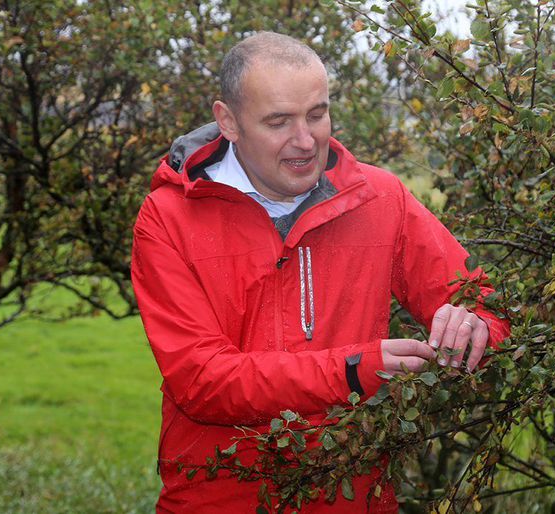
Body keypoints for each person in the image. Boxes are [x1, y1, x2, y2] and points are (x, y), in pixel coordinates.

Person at [131, 31, 509, 514]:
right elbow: (203, 382)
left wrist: (474, 324)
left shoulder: (380, 197)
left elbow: (486, 306)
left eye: (317, 114)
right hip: (218, 498)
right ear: (228, 121)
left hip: (354, 496)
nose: (306, 141)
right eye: (278, 122)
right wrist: (352, 372)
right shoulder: (167, 217)